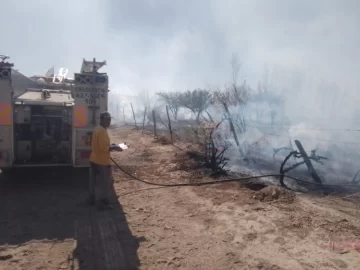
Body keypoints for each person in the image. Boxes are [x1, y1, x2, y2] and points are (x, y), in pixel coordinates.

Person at [88, 111, 122, 209]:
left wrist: (113, 145)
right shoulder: (102, 131)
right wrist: (115, 147)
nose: (109, 121)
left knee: (94, 182)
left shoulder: (97, 129)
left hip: (94, 159)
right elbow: (104, 148)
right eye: (107, 119)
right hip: (102, 162)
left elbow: (101, 145)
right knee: (106, 182)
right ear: (101, 120)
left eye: (110, 119)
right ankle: (102, 204)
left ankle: (91, 199)